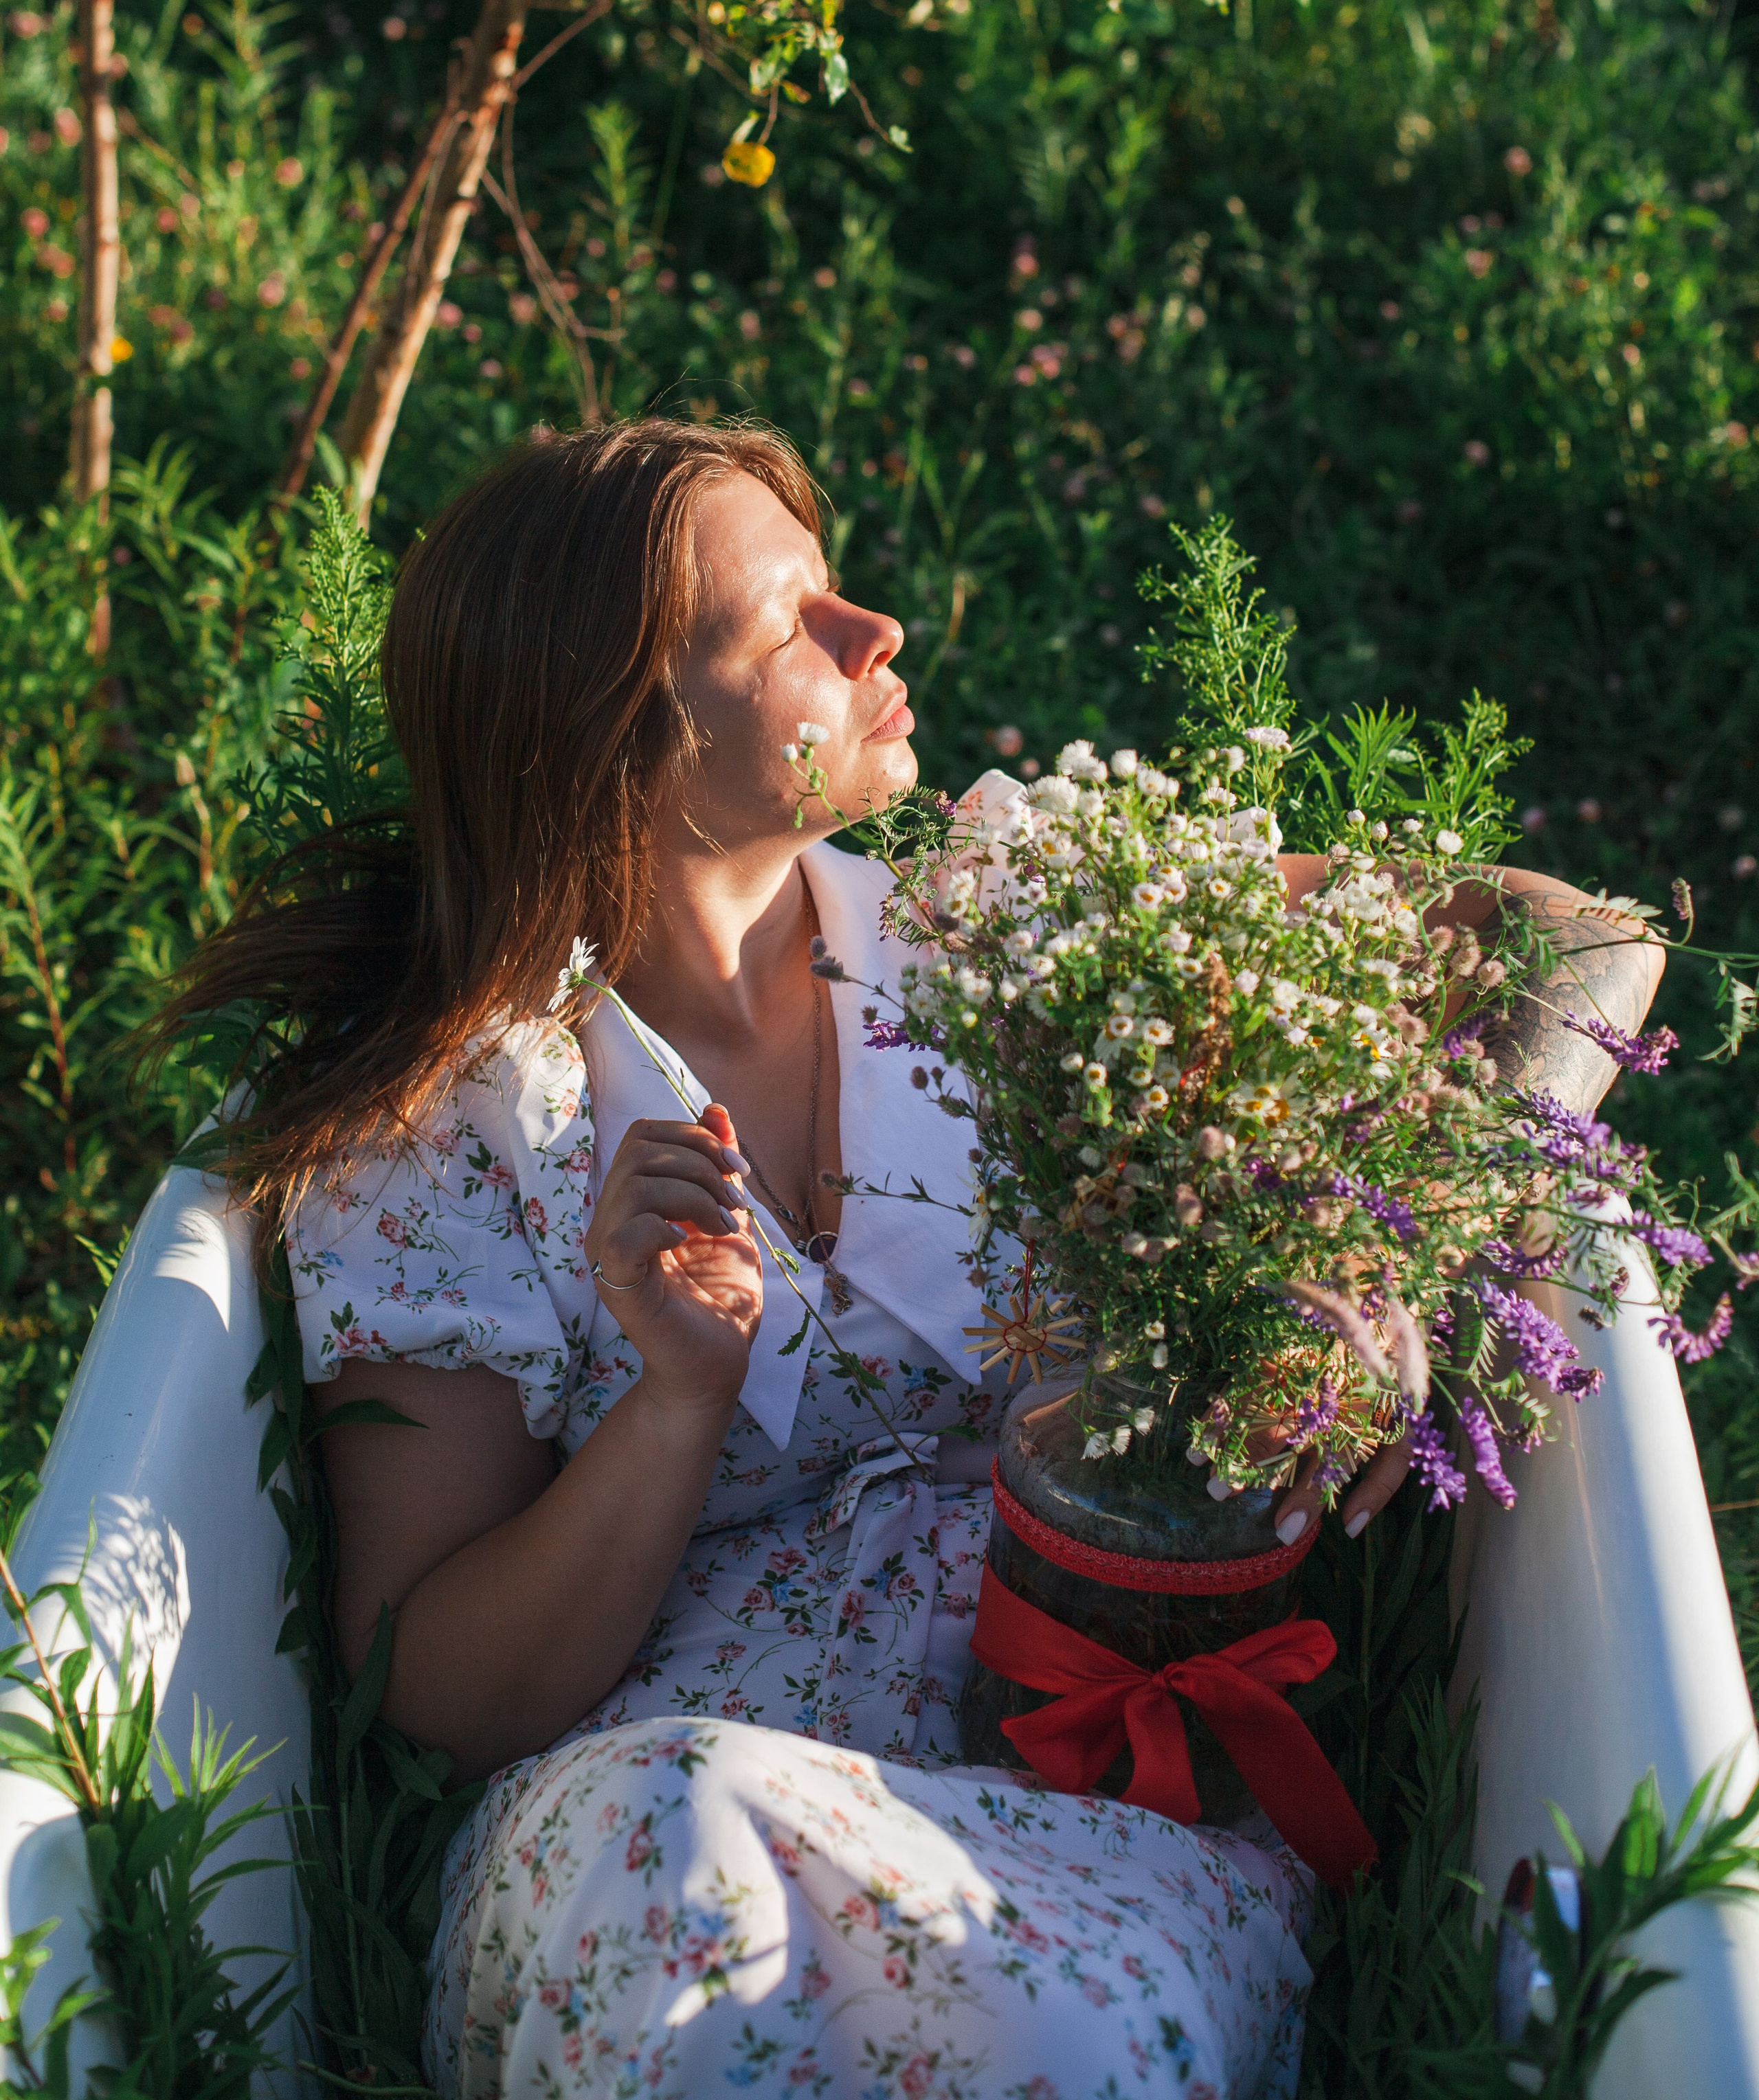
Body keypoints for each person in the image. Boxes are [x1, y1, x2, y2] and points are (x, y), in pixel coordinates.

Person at [161, 418, 1660, 2099]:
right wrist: (672, 1402)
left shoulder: (1006, 930)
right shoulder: (460, 1122)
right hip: (646, 1826)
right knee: (701, 1866)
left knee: (1053, 2037)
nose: (873, 631)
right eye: (791, 619)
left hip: (1074, 1793)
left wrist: (1417, 1244)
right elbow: (431, 1697)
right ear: (619, 736)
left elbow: (1573, 939)